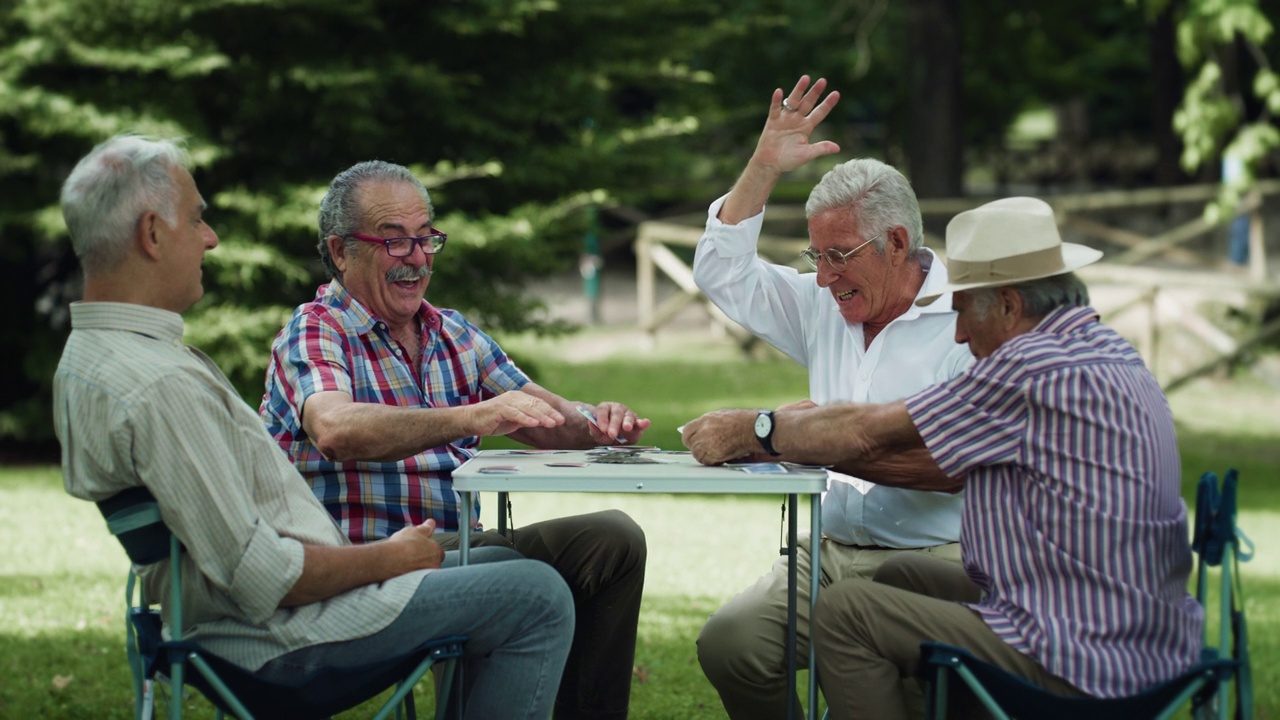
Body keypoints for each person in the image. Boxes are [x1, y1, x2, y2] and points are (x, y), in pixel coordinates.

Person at [53, 135, 575, 719]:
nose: (210, 237)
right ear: (152, 234)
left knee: (513, 566)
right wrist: (390, 557)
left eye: (424, 237)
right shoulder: (155, 383)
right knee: (538, 595)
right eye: (197, 218)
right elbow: (262, 578)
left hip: (273, 612)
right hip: (280, 639)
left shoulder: (101, 357)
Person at [683, 196, 1204, 719]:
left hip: (1079, 650)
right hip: (1149, 639)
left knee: (845, 612)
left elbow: (872, 431)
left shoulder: (1026, 366)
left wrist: (761, 428)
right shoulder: (1109, 352)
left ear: (1007, 304)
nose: (957, 333)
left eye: (962, 312)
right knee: (900, 579)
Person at [260, 159, 648, 720]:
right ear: (342, 251)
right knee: (509, 569)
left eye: (426, 239)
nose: (416, 259)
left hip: (459, 548)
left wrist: (601, 424)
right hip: (366, 564)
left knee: (614, 540)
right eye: (394, 243)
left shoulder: (452, 332)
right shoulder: (316, 329)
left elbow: (546, 416)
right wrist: (468, 417)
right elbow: (336, 429)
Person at [690, 75, 973, 718]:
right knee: (731, 644)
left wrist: (786, 437)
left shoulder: (966, 321)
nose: (822, 277)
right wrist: (764, 164)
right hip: (826, 555)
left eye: (838, 256)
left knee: (884, 698)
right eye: (814, 256)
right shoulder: (828, 299)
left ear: (897, 243)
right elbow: (721, 271)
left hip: (936, 561)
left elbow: (951, 469)